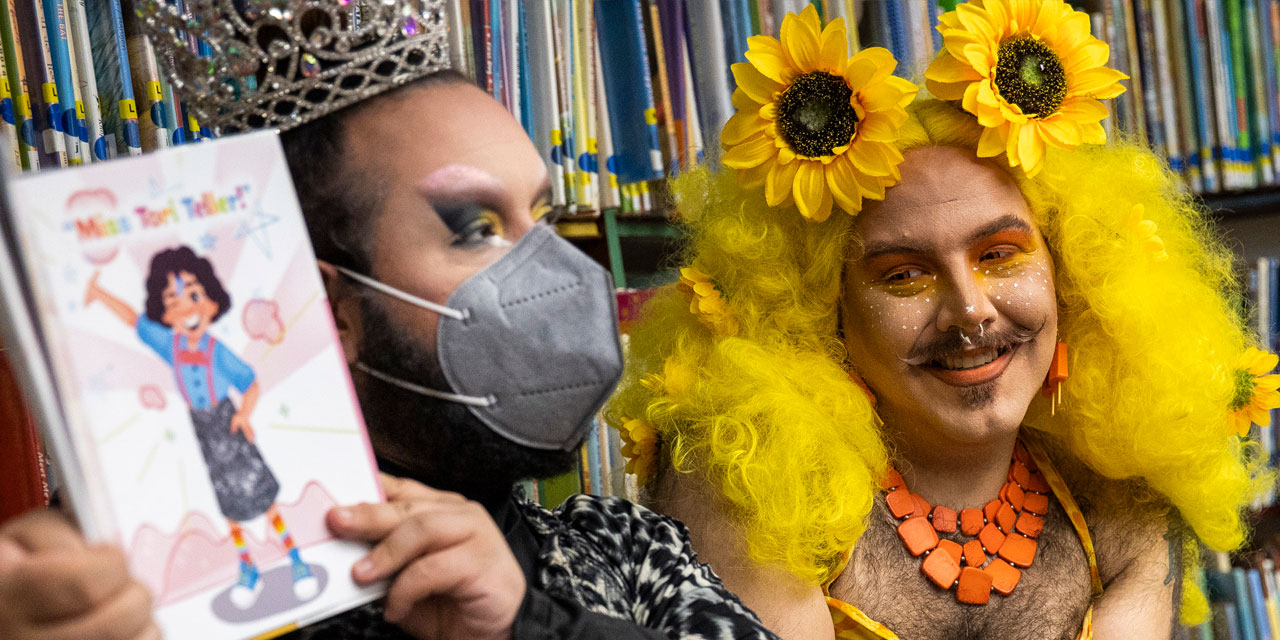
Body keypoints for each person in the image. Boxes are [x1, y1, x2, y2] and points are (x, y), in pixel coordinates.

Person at [0, 2, 780, 639]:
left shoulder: (623, 549)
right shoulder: (141, 597)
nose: (564, 275)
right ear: (327, 307)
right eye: (476, 227)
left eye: (543, 218)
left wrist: (530, 627)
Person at [607, 4, 1278, 639]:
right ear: (821, 312)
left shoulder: (1124, 496)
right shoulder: (752, 487)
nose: (970, 309)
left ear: (1072, 276)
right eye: (904, 275)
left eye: (1000, 255)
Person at [85, 246, 318, 608]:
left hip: (228, 422)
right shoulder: (170, 344)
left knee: (263, 496)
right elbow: (133, 320)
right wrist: (99, 293)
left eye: (194, 296)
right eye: (173, 301)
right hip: (204, 429)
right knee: (227, 503)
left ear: (212, 301)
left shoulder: (217, 351)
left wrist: (244, 415)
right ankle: (247, 566)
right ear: (164, 312)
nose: (186, 308)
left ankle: (296, 559)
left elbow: (249, 383)